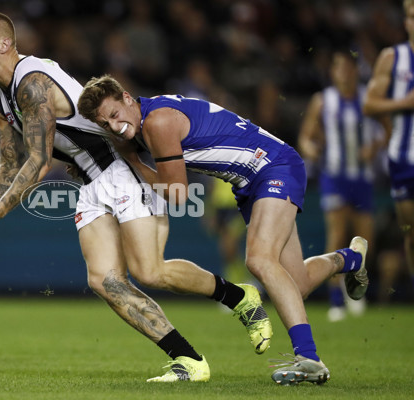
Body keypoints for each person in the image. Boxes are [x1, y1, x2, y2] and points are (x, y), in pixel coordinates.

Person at [0, 11, 272, 382]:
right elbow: (10, 166)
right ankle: (189, 360)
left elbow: (39, 160)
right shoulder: (0, 102)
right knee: (104, 280)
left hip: (122, 168)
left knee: (149, 271)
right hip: (92, 182)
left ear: (5, 44)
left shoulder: (33, 82)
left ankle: (239, 298)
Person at [77, 74, 371, 386]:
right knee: (294, 286)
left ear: (126, 97)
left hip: (272, 166)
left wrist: (133, 162)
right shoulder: (149, 116)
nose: (114, 126)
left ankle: (309, 359)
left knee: (259, 260)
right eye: (105, 124)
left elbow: (177, 194)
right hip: (250, 182)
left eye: (114, 114)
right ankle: (350, 259)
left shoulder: (157, 123)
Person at [298, 50, 384, 322]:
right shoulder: (323, 101)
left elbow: (386, 129)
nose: (344, 73)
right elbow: (305, 137)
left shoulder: (368, 97)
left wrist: (374, 148)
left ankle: (355, 292)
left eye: (348, 68)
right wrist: (311, 149)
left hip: (362, 177)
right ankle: (336, 300)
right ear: (333, 72)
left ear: (355, 70)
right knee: (336, 235)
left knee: (364, 239)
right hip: (334, 176)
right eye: (339, 68)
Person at [363, 0, 414, 290]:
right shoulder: (393, 58)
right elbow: (369, 104)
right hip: (404, 159)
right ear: (406, 22)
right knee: (411, 234)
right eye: (411, 17)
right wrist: (404, 103)